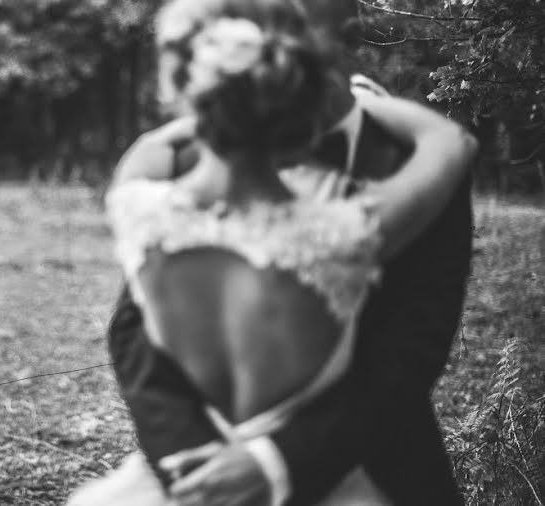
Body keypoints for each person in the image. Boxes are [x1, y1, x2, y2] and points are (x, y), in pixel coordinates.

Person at [69, 0, 477, 505]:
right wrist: (198, 467)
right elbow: (133, 335)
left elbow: (413, 347)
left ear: (345, 38)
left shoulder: (142, 184)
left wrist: (274, 464)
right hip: (191, 469)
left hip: (365, 467)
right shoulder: (362, 222)